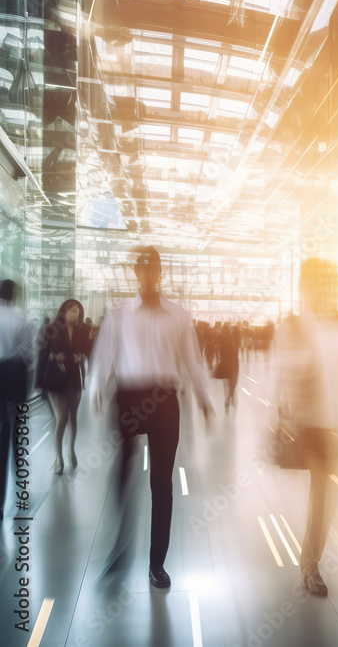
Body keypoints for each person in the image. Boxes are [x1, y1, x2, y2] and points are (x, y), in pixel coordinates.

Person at [89, 247, 215, 588]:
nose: (147, 273)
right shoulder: (119, 315)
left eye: (153, 267)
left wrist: (205, 398)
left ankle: (156, 562)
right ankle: (120, 543)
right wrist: (97, 389)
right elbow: (103, 355)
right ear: (135, 272)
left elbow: (192, 359)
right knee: (123, 471)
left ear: (160, 272)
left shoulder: (178, 315)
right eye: (142, 267)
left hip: (163, 399)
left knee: (161, 483)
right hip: (129, 396)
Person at [270, 258, 338, 596]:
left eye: (329, 284)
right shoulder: (293, 325)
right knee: (321, 494)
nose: (324, 290)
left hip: (337, 423)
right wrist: (281, 415)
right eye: (317, 284)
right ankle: (311, 565)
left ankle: (311, 561)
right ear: (305, 289)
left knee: (327, 497)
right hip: (309, 425)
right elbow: (279, 373)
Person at [36, 299, 88, 474]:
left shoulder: (81, 330)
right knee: (62, 419)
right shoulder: (51, 330)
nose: (76, 315)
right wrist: (38, 382)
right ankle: (59, 458)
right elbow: (42, 356)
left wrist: (80, 357)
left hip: (74, 379)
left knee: (73, 417)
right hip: (56, 380)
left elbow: (85, 352)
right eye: (72, 311)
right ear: (63, 312)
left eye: (78, 312)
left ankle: (71, 450)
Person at [0, 280, 36, 520]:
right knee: (17, 437)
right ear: (15, 295)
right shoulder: (22, 320)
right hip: (14, 382)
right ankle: (20, 488)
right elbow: (29, 356)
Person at [213, 322, 240, 412]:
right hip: (233, 362)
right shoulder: (232, 338)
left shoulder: (220, 337)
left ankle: (227, 397)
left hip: (224, 363)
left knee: (225, 383)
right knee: (233, 381)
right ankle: (231, 395)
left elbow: (215, 345)